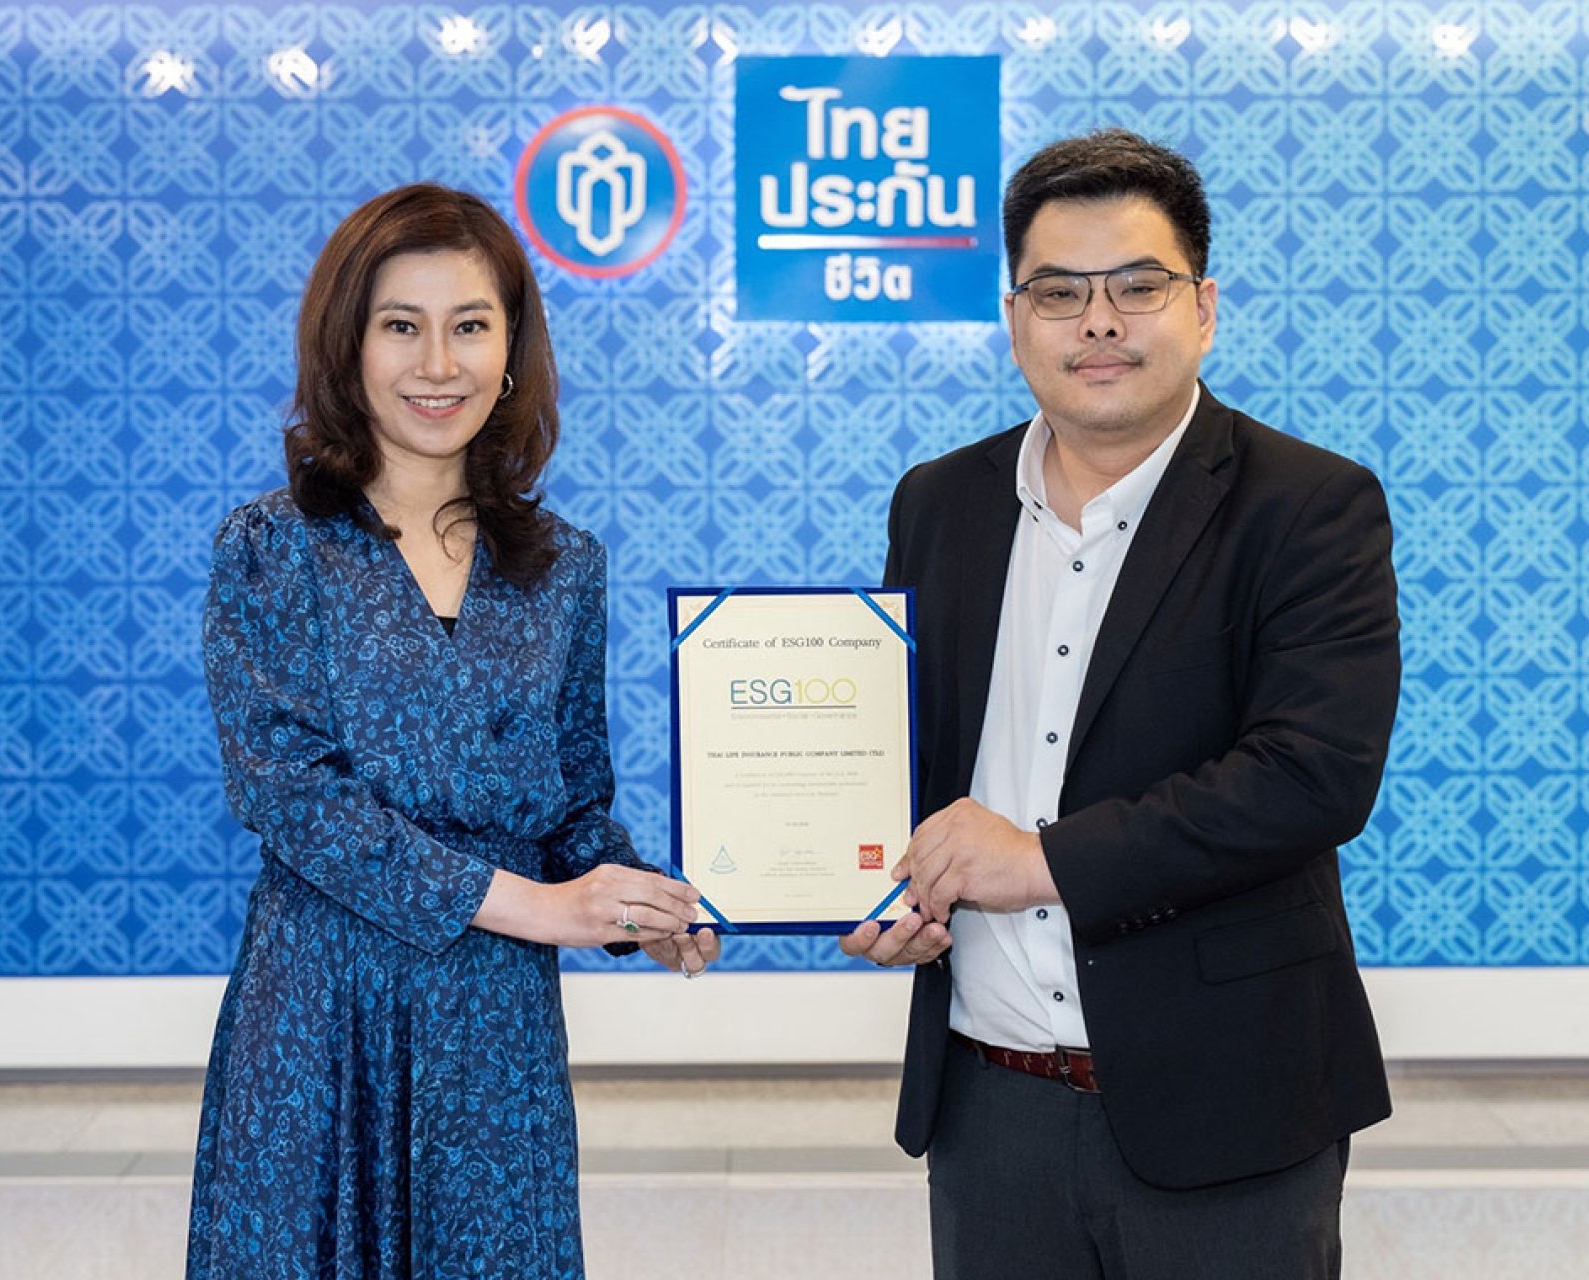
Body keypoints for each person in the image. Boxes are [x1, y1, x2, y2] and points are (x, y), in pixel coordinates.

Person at [840, 129, 1400, 1277]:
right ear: (1014, 319)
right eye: (1059, 292)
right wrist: (883, 881)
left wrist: (1035, 860)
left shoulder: (1310, 504)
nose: (1098, 322)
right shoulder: (938, 503)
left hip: (1228, 1103)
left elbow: (1311, 775)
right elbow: (913, 755)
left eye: (1137, 286)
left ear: (1204, 307)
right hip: (988, 1102)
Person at [187, 184, 719, 1279]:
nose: (439, 363)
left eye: (471, 325)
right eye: (402, 325)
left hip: (496, 1029)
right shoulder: (273, 547)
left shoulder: (564, 564)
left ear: (512, 349)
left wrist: (637, 906)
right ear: (348, 345)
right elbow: (290, 794)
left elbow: (573, 804)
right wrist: (540, 907)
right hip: (324, 1012)